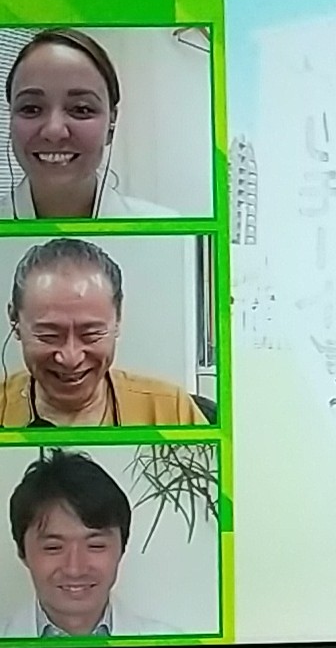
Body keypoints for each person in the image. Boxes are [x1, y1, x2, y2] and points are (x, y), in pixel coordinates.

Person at [0, 238, 208, 426]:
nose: (71, 358)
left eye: (91, 335)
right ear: (14, 320)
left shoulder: (171, 411)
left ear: (117, 319)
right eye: (49, 336)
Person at [2, 28, 176, 219]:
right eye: (31, 109)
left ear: (111, 123)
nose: (54, 130)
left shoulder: (167, 231)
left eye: (81, 109)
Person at [2, 449, 177, 637]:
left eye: (96, 546)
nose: (75, 569)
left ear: (122, 548)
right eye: (53, 547)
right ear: (22, 551)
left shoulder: (169, 639)